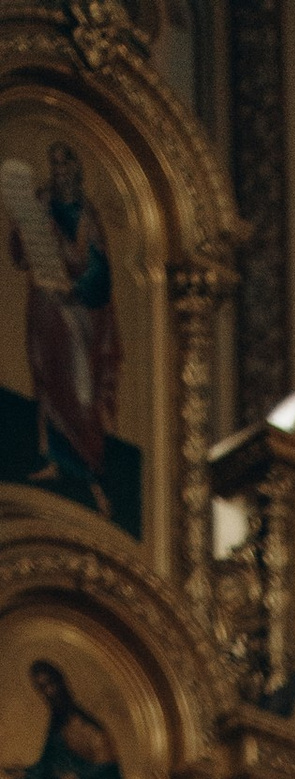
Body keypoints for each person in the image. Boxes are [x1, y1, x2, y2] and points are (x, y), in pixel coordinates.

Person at [7, 141, 120, 517]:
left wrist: (77, 286)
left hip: (76, 315)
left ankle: (92, 476)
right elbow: (22, 256)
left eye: (63, 163)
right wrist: (23, 221)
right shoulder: (41, 202)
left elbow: (100, 271)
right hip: (43, 308)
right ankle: (52, 461)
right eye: (53, 163)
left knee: (80, 395)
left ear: (75, 168)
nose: (57, 170)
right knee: (46, 381)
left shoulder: (86, 214)